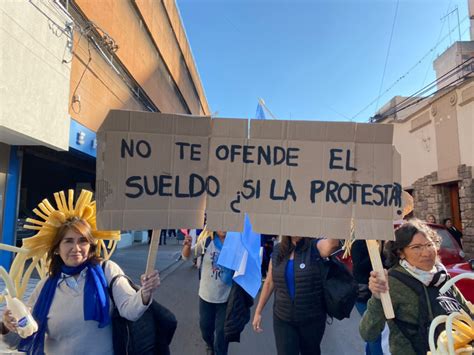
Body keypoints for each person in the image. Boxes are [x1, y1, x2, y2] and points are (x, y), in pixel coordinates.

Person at [1, 217, 160, 354]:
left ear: (90, 245)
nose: (76, 248)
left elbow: (130, 310)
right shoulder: (45, 287)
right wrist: (8, 326)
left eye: (82, 241)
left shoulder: (107, 270)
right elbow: (24, 335)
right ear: (57, 248)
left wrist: (145, 291)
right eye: (68, 241)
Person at [359, 219, 472, 355]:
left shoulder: (441, 275)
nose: (426, 253)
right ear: (400, 252)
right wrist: (377, 298)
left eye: (429, 245)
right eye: (416, 247)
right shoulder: (392, 282)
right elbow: (368, 333)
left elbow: (466, 313)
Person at [252, 236, 340, 355]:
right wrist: (258, 312)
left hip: (311, 319)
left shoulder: (314, 247)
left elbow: (333, 244)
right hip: (283, 318)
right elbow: (269, 282)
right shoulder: (278, 250)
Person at [182, 230, 233, 355]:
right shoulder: (207, 242)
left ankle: (220, 351)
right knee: (205, 329)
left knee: (222, 333)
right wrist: (187, 246)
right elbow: (187, 256)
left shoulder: (235, 244)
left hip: (226, 298)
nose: (224, 227)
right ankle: (209, 344)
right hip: (206, 296)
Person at [351, 240, 384, 355]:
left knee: (376, 332)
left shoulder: (385, 243)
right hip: (363, 295)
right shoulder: (358, 244)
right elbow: (360, 266)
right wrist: (376, 252)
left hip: (381, 295)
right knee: (374, 334)